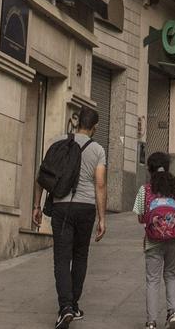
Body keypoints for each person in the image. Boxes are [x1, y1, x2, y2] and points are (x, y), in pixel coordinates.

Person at [33, 105, 107, 329]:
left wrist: (36, 205)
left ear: (76, 122)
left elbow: (42, 176)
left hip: (61, 206)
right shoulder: (98, 150)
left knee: (62, 258)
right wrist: (102, 218)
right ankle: (73, 305)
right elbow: (100, 184)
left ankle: (65, 307)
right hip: (86, 208)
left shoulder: (57, 142)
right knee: (80, 255)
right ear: (94, 127)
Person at [134, 151, 175, 329]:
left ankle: (151, 322)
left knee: (152, 280)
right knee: (171, 275)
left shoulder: (145, 189)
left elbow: (141, 218)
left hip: (153, 241)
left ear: (149, 169)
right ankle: (173, 312)